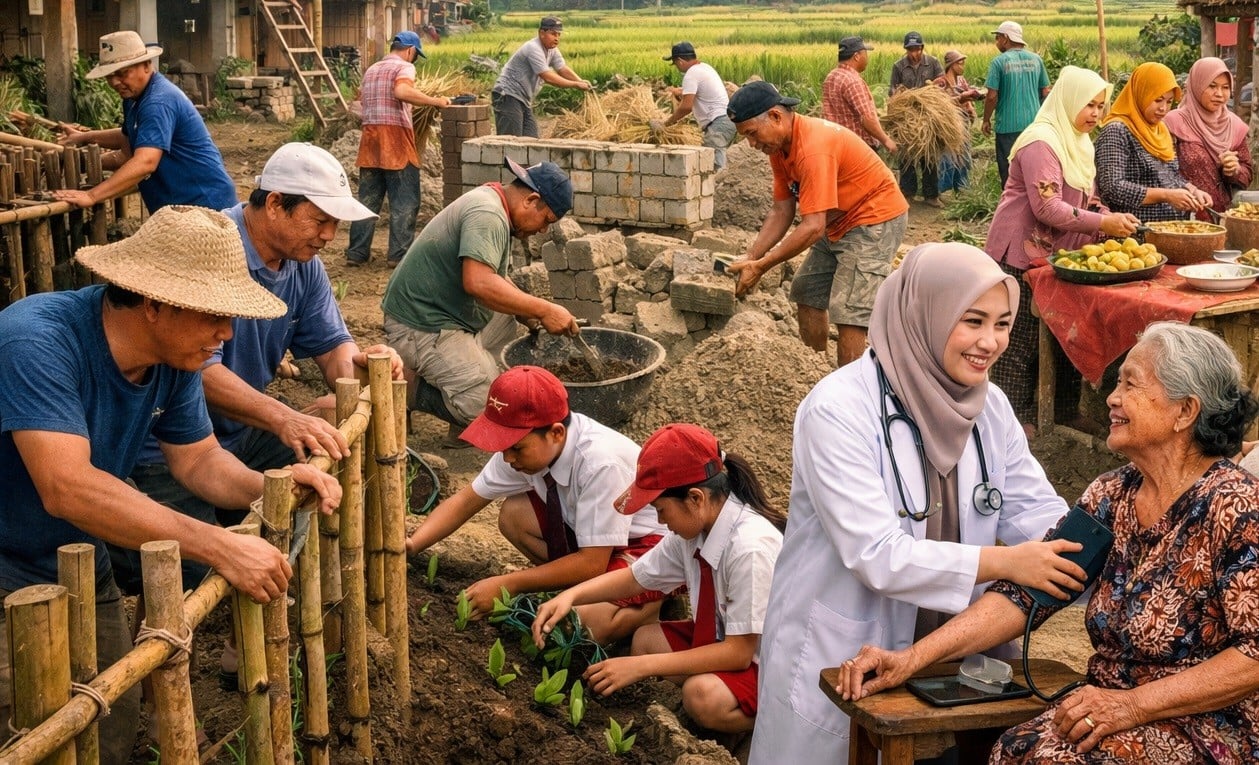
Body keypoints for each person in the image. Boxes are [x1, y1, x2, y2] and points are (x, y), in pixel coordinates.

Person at [0, 206, 341, 762]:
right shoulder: (35, 341)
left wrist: (266, 485)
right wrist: (217, 544)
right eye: (215, 316)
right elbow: (67, 486)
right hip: (7, 561)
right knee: (25, 733)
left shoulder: (176, 360)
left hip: (77, 560)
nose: (227, 335)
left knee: (108, 726)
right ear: (155, 303)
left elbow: (200, 461)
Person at [836, 321, 1259, 765]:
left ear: (1185, 411)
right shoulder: (1111, 495)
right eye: (1117, 383)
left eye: (1131, 385)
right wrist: (910, 659)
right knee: (1014, 749)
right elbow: (1027, 594)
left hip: (1208, 725)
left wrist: (1132, 705)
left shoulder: (1235, 507)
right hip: (1109, 710)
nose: (1112, 398)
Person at [749, 243, 1080, 765]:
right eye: (972, 321)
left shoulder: (988, 406)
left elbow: (1036, 514)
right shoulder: (838, 410)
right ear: (923, 312)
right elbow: (876, 553)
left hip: (946, 653)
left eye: (1002, 323)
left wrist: (1102, 540)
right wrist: (1006, 562)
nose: (989, 342)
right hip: (850, 641)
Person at [119, 142, 400, 596]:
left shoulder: (302, 265)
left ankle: (251, 631)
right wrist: (282, 416)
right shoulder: (213, 247)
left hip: (240, 431)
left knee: (315, 453)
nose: (330, 235)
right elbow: (201, 371)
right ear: (275, 205)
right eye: (321, 220)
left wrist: (362, 368)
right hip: (171, 441)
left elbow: (332, 346)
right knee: (181, 576)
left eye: (335, 224)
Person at [532, 423, 785, 735]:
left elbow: (738, 652)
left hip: (767, 662)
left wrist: (639, 668)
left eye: (661, 510)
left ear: (695, 499)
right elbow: (635, 579)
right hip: (721, 635)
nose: (660, 520)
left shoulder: (750, 548)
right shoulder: (695, 530)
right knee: (646, 640)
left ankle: (768, 726)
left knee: (701, 696)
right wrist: (568, 597)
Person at [404, 366, 669, 642]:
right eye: (502, 445)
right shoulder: (525, 447)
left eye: (515, 448)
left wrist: (510, 583)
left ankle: (649, 607)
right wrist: (414, 544)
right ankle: (579, 590)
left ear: (555, 433)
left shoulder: (600, 463)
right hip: (595, 541)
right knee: (514, 515)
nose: (507, 458)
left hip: (646, 545)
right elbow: (466, 500)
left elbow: (592, 563)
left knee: (579, 626)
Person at [985, 67, 1140, 433]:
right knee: (1018, 338)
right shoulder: (1042, 141)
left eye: (1101, 106)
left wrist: (1110, 216)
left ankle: (1063, 411)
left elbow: (1091, 198)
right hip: (1021, 253)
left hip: (1062, 257)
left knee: (1067, 330)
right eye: (1089, 104)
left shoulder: (1080, 143)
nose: (1095, 114)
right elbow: (1047, 208)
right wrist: (1103, 224)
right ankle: (1014, 419)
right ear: (1068, 99)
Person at [381, 158, 579, 436]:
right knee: (493, 408)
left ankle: (457, 387)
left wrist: (527, 311)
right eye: (546, 220)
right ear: (531, 200)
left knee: (510, 344)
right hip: (420, 324)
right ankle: (410, 388)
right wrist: (544, 309)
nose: (543, 230)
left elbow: (495, 275)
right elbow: (478, 281)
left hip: (448, 308)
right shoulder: (488, 213)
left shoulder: (497, 205)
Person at [724, 81, 908, 367]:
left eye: (751, 133)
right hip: (838, 218)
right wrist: (751, 256)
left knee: (848, 310)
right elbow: (781, 210)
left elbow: (812, 227)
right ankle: (815, 372)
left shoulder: (812, 148)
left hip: (874, 217)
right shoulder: (779, 148)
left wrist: (761, 267)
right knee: (807, 292)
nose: (752, 143)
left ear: (775, 116)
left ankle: (851, 396)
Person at [51, 30, 236, 214]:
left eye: (122, 73)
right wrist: (84, 137)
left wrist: (92, 196)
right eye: (109, 76)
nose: (115, 82)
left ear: (146, 65)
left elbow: (146, 161)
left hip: (205, 204)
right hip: (181, 208)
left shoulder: (157, 102)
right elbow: (128, 142)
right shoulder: (133, 98)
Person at [345, 31, 452, 268]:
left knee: (367, 201)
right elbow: (402, 92)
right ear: (410, 51)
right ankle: (399, 256)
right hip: (395, 140)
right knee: (405, 200)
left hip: (370, 140)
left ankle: (356, 253)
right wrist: (436, 101)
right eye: (415, 55)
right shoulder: (404, 67)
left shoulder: (371, 70)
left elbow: (359, 106)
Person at [1095, 62, 1213, 223]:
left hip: (1167, 232)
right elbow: (1112, 188)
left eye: (1169, 102)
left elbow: (1169, 175)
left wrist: (1192, 190)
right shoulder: (1117, 130)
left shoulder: (1160, 129)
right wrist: (1165, 195)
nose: (1163, 108)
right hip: (1134, 234)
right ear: (1141, 93)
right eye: (1158, 100)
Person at [1164, 57, 1254, 218]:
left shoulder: (1235, 126)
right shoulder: (1173, 123)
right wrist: (1189, 189)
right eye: (1212, 86)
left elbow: (1247, 172)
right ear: (1197, 85)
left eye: (1225, 88)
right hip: (1181, 219)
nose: (1219, 94)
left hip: (1223, 218)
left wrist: (1234, 170)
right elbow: (1162, 171)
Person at [491, 16, 591, 138]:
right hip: (507, 95)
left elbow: (562, 68)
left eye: (559, 34)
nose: (557, 38)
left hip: (523, 99)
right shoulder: (533, 48)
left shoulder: (552, 50)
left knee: (531, 140)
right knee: (511, 142)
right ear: (541, 33)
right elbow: (547, 76)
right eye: (553, 34)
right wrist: (575, 85)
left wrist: (580, 80)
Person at [983, 21, 1051, 186]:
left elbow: (991, 97)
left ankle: (1011, 207)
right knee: (1033, 171)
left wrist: (986, 120)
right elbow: (1046, 92)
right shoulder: (1036, 60)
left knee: (1009, 174)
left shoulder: (999, 62)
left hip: (1007, 128)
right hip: (1033, 127)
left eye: (997, 38)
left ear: (1006, 38)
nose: (997, 42)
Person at [650, 42, 737, 170]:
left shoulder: (691, 74)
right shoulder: (704, 68)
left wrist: (666, 124)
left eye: (675, 64)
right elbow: (694, 90)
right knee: (714, 162)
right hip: (727, 120)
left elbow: (686, 107)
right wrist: (676, 91)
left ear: (679, 61)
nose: (677, 67)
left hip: (718, 123)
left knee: (716, 166)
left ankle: (721, 188)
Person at [890, 31, 945, 206]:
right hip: (907, 117)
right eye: (910, 50)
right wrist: (899, 94)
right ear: (906, 50)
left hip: (929, 114)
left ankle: (931, 195)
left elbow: (943, 84)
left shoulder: (933, 63)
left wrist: (937, 85)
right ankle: (908, 192)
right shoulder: (898, 66)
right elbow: (892, 91)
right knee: (906, 154)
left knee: (929, 155)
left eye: (916, 49)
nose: (914, 54)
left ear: (922, 48)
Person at [822, 36, 897, 155]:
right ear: (856, 56)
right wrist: (886, 140)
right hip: (858, 147)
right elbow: (866, 118)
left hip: (837, 144)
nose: (867, 57)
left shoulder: (831, 77)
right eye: (865, 53)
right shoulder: (853, 81)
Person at [934, 50, 983, 196]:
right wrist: (961, 98)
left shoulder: (962, 81)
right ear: (951, 65)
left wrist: (970, 107)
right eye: (959, 63)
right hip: (948, 125)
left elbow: (967, 98)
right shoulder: (940, 82)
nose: (962, 67)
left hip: (963, 123)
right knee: (948, 158)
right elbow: (939, 104)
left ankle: (962, 188)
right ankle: (945, 190)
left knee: (964, 156)